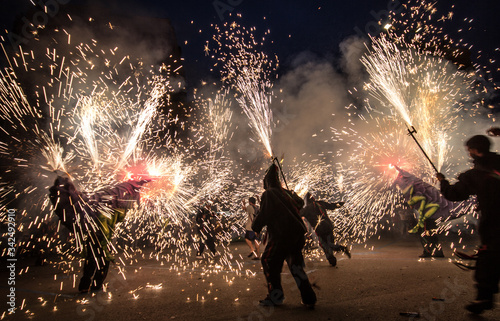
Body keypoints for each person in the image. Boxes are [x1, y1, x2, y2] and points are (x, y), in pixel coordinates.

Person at [436, 135, 500, 314]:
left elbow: (453, 194)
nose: (469, 154)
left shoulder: (475, 175)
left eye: (469, 150)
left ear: (475, 150)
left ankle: (484, 298)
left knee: (488, 262)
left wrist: (443, 182)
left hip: (494, 226)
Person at [252, 163, 317, 308]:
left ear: (267, 182)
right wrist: (290, 192)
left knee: (268, 260)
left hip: (282, 235)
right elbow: (300, 203)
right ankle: (309, 298)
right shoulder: (285, 193)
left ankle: (276, 296)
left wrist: (255, 225)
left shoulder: (269, 194)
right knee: (295, 266)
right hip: (297, 234)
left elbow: (263, 215)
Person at [300, 192, 350, 266]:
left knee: (324, 244)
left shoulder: (306, 209)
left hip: (320, 230)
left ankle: (334, 255)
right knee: (330, 243)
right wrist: (341, 203)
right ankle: (334, 256)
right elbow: (332, 206)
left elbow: (297, 214)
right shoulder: (320, 203)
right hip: (328, 227)